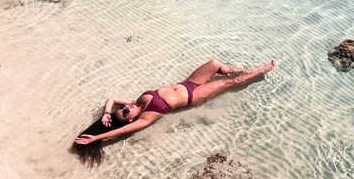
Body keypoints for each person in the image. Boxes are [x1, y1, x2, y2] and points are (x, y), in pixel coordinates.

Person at [72, 58, 276, 165]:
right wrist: (96, 138)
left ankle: (240, 70)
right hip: (192, 97)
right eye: (125, 112)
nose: (126, 108)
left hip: (188, 83)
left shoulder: (135, 103)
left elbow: (111, 99)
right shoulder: (145, 118)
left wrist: (107, 113)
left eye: (123, 108)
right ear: (130, 120)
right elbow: (121, 131)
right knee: (227, 83)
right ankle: (259, 72)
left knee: (215, 64)